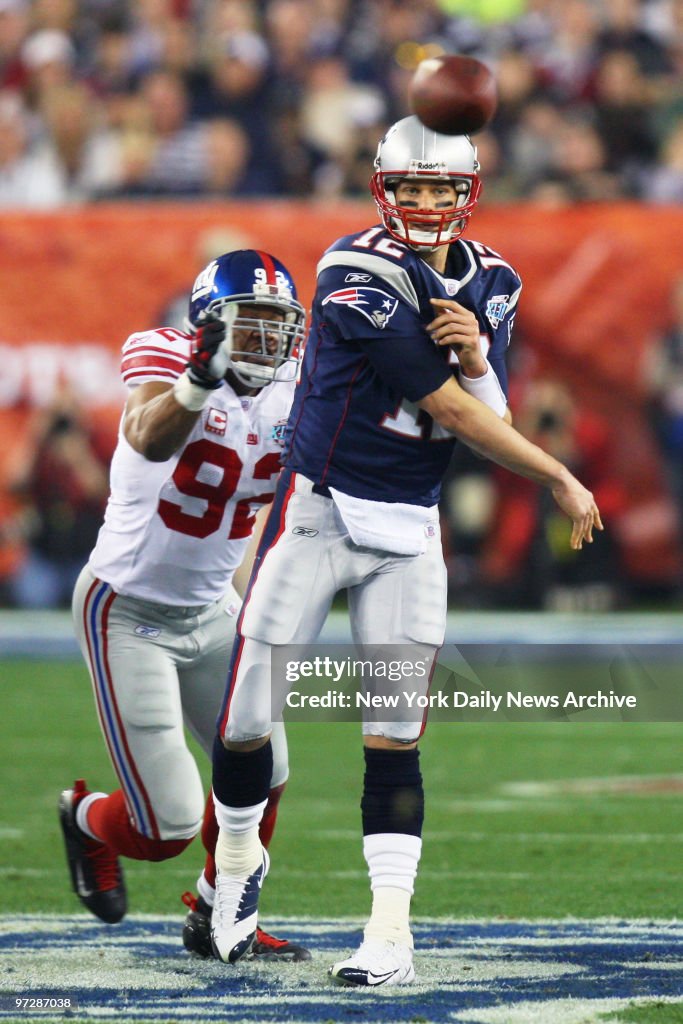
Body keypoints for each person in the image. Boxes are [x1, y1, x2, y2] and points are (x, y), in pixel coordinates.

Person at [208, 116, 603, 985]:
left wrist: (476, 354)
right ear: (382, 188)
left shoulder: (495, 279)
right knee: (243, 722)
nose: (425, 204)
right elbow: (456, 416)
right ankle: (234, 876)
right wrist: (559, 478)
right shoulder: (355, 271)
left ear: (467, 193)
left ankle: (389, 934)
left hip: (404, 534)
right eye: (410, 188)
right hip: (313, 520)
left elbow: (485, 405)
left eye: (440, 189)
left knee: (391, 738)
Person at [58, 249, 310, 962]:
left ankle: (217, 910)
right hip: (127, 610)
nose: (266, 342)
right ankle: (84, 818)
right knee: (162, 826)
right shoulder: (164, 353)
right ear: (207, 325)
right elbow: (145, 433)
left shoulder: (302, 388)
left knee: (268, 771)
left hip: (212, 610)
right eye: (249, 324)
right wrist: (201, 381)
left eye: (278, 326)